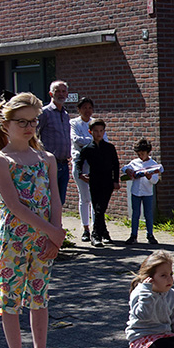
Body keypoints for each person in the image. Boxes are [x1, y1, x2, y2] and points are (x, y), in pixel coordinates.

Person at [0, 93, 66, 348]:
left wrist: (55, 233)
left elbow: (56, 199)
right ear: (6, 124)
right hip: (14, 242)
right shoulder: (0, 160)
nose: (30, 127)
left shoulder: (46, 158)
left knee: (39, 297)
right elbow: (15, 206)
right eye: (22, 122)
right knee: (10, 300)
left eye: (33, 121)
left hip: (44, 240)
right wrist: (52, 231)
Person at [74, 118, 120, 247]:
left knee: (101, 208)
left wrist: (116, 181)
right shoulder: (88, 148)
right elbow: (79, 161)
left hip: (107, 181)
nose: (99, 133)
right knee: (97, 208)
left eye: (101, 131)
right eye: (96, 131)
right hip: (94, 181)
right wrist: (80, 174)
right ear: (90, 132)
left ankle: (95, 235)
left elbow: (115, 165)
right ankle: (104, 233)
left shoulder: (109, 148)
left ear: (104, 132)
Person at [70, 97, 101, 242]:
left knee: (95, 197)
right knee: (84, 197)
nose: (87, 110)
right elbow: (76, 140)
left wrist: (89, 141)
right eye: (84, 108)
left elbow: (104, 140)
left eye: (90, 107)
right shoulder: (74, 123)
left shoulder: (96, 123)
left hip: (95, 163)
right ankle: (85, 228)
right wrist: (93, 141)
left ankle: (96, 228)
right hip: (80, 163)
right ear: (79, 109)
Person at [36, 80, 71, 205]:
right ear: (51, 94)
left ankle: (57, 224)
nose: (61, 94)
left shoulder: (66, 115)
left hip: (64, 164)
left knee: (60, 201)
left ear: (67, 93)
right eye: (57, 91)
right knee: (49, 199)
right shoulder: (44, 113)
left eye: (63, 91)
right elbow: (34, 135)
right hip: (49, 164)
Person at [122, 138, 163, 245]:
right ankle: (133, 235)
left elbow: (155, 181)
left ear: (148, 152)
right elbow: (124, 168)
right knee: (135, 214)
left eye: (143, 153)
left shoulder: (153, 164)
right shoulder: (135, 162)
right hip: (136, 192)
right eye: (139, 154)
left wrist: (149, 177)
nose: (140, 156)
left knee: (148, 214)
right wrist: (127, 170)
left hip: (147, 193)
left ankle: (150, 234)